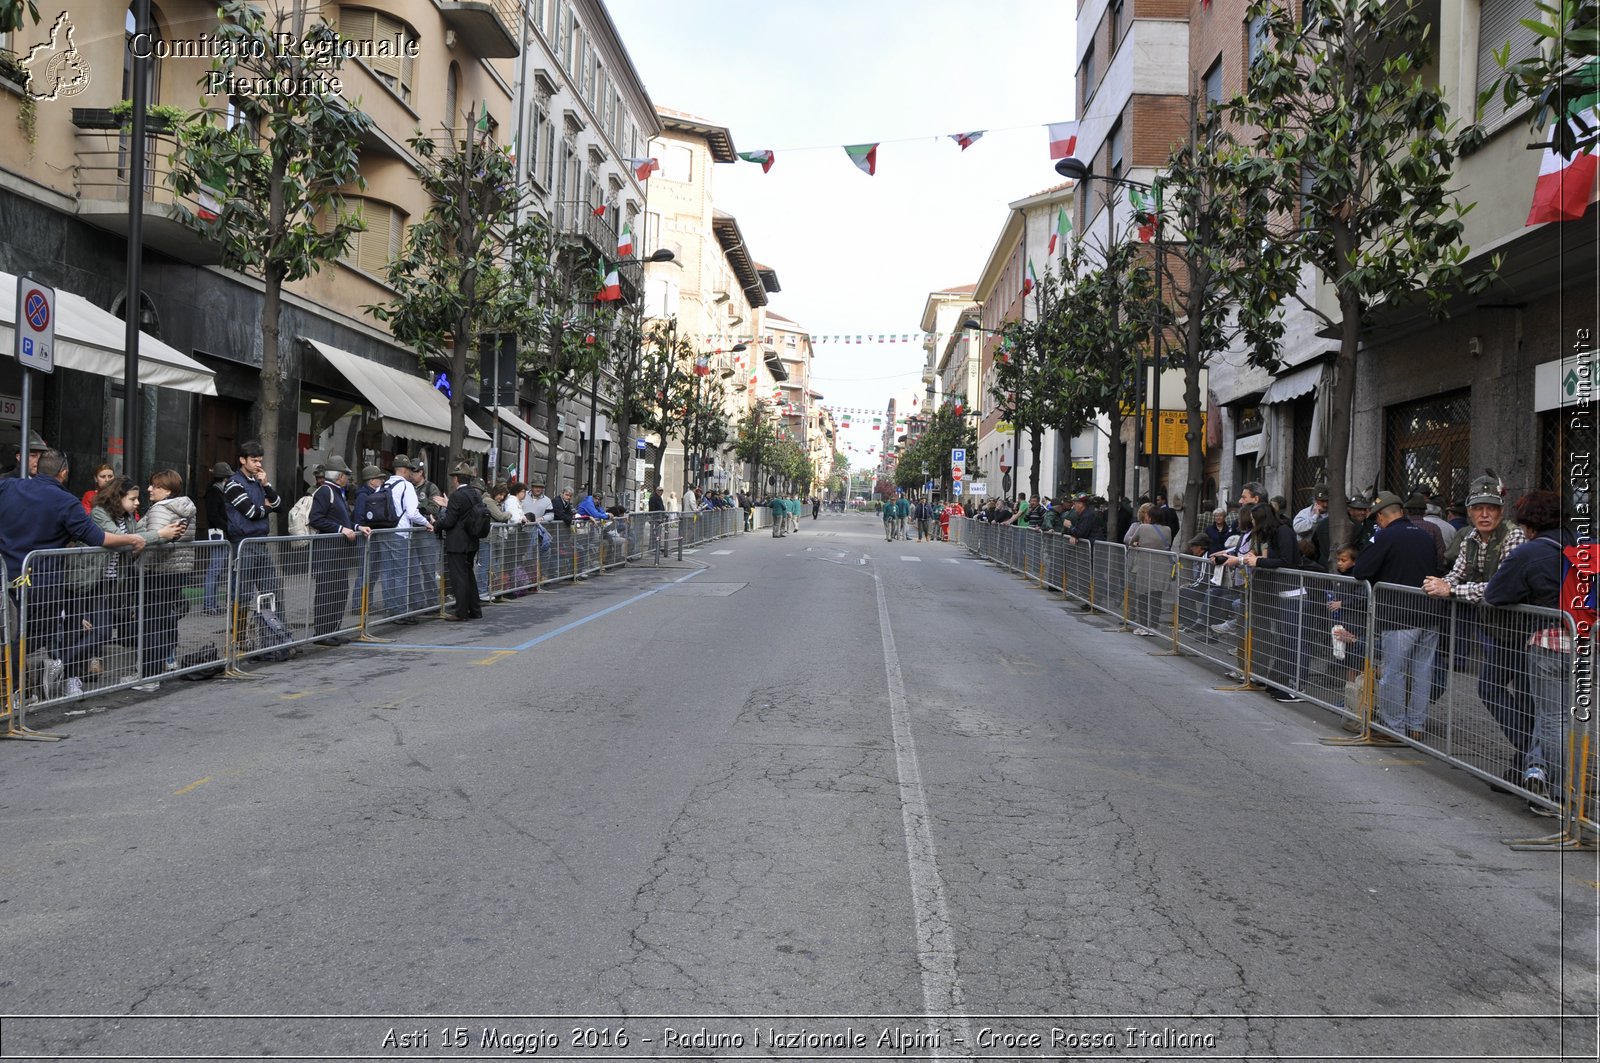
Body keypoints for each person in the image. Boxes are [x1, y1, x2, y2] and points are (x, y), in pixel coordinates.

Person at [0, 450, 150, 699]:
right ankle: (14, 693)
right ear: (64, 473)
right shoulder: (65, 501)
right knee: (30, 635)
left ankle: (16, 690)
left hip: (7, 576)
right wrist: (133, 538)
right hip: (42, 579)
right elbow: (98, 537)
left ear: (38, 468)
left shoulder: (8, 487)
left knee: (12, 633)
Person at [1422, 472, 1528, 783]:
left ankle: (1530, 759)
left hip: (1525, 631)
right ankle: (1527, 753)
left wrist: (1452, 591)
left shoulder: (1514, 536)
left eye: (1491, 508)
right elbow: (1457, 573)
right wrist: (1439, 583)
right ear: (1469, 511)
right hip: (1499, 631)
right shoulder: (1468, 538)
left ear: (1501, 510)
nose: (1484, 514)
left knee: (1525, 698)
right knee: (1490, 688)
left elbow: (1499, 587)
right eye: (1479, 508)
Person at [1485, 489, 1578, 816]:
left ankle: (1557, 796)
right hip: (1586, 642)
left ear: (1529, 522)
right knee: (1568, 716)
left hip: (1549, 643)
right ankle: (1542, 773)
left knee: (1552, 719)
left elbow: (1496, 594)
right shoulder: (1587, 543)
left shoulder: (1530, 551)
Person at [66, 477, 182, 697]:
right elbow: (122, 540)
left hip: (106, 583)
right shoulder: (100, 513)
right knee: (75, 629)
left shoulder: (128, 517)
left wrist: (145, 540)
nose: (137, 503)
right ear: (118, 497)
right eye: (133, 498)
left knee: (101, 631)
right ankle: (69, 673)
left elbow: (134, 540)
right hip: (83, 579)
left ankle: (61, 663)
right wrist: (159, 535)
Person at [1351, 490, 1442, 744]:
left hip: (1399, 616)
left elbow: (1361, 570)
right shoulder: (1425, 535)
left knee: (1394, 672)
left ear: (1381, 516)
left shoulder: (1385, 536)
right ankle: (1416, 726)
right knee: (1423, 671)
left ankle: (1393, 728)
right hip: (1429, 613)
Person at [133, 469, 196, 690]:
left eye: (155, 486)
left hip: (158, 572)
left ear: (167, 489)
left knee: (151, 623)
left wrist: (138, 563)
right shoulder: (185, 508)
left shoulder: (160, 508)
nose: (149, 489)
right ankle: (160, 667)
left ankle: (149, 676)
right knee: (164, 620)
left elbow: (154, 543)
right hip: (178, 571)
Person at [1240, 500, 1306, 701]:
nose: (1252, 524)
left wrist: (1258, 561)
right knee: (1284, 640)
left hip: (1293, 593)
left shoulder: (1283, 532)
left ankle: (1295, 686)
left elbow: (1287, 561)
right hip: (1282, 592)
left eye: (1254, 520)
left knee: (1293, 641)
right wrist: (1258, 557)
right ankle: (1279, 682)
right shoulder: (1272, 534)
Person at [304, 456, 363, 645]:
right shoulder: (325, 492)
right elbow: (316, 519)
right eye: (346, 474)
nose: (347, 478)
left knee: (339, 590)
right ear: (339, 476)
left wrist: (356, 527)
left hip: (339, 550)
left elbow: (342, 520)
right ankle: (322, 632)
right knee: (327, 591)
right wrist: (341, 530)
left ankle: (333, 629)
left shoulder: (337, 492)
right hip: (329, 551)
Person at [221, 440, 283, 610]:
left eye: (260, 460)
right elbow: (251, 512)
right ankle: (238, 636)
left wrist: (267, 486)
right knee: (242, 594)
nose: (258, 464)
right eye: (254, 460)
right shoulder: (234, 483)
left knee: (270, 591)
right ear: (242, 460)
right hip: (243, 543)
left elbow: (279, 506)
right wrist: (266, 508)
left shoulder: (258, 481)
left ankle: (272, 635)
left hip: (259, 542)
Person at [378, 455, 429, 624]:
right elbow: (412, 513)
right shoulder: (406, 486)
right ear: (405, 470)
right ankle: (400, 612)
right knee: (401, 573)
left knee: (387, 573)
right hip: (400, 533)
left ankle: (390, 609)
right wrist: (427, 523)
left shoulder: (383, 485)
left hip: (383, 531)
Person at [438, 463, 487, 622]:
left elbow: (450, 521)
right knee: (469, 576)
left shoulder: (457, 495)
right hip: (471, 540)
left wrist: (436, 524)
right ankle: (475, 609)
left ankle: (461, 612)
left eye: (453, 477)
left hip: (457, 542)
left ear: (457, 479)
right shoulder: (475, 494)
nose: (452, 480)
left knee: (459, 577)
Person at [1125, 503, 1170, 635]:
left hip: (1145, 566)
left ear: (1150, 517)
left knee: (1143, 596)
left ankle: (1143, 626)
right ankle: (1154, 627)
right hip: (1161, 567)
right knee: (1156, 597)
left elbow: (1132, 541)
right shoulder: (1168, 529)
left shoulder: (1143, 527)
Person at [348, 464, 386, 615]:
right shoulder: (364, 496)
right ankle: (359, 604)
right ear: (371, 481)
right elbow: (359, 517)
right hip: (365, 537)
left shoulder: (368, 494)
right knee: (365, 572)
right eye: (379, 478)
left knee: (371, 572)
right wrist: (363, 527)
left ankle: (366, 603)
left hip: (369, 535)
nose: (382, 481)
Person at [201, 462, 232, 615]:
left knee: (216, 570)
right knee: (215, 570)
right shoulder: (215, 492)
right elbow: (213, 516)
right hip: (218, 533)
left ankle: (212, 603)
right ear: (224, 479)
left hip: (219, 532)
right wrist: (229, 526)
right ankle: (208, 605)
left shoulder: (217, 491)